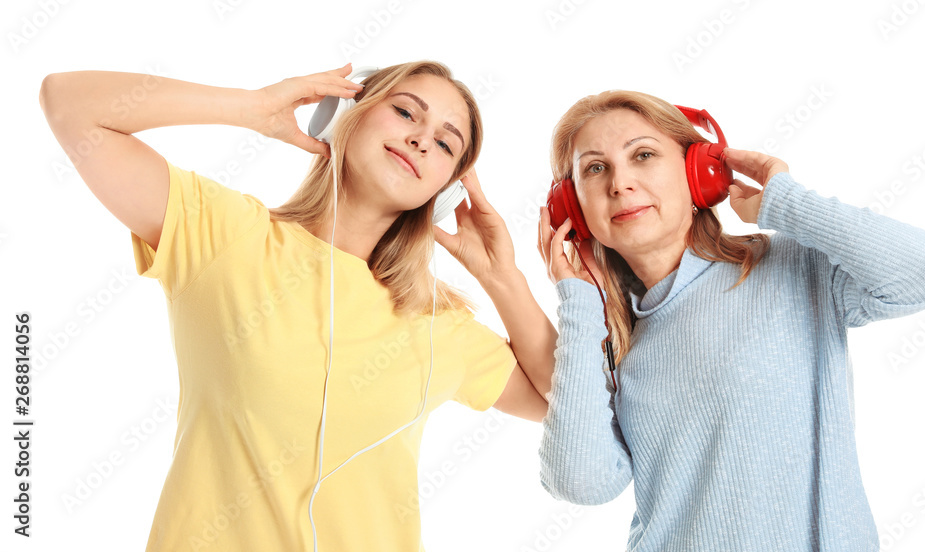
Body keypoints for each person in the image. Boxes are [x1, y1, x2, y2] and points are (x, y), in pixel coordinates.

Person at [39, 61, 556, 552]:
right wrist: (251, 106)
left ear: (442, 191)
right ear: (344, 114)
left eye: (445, 143)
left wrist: (503, 280)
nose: (423, 138)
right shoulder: (225, 234)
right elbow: (69, 104)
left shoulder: (440, 325)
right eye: (405, 111)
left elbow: (574, 406)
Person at [536, 90, 925, 551]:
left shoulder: (791, 266)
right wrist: (577, 300)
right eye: (595, 168)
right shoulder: (612, 342)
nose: (619, 183)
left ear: (698, 173)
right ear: (573, 209)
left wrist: (787, 201)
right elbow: (582, 483)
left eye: (643, 154)